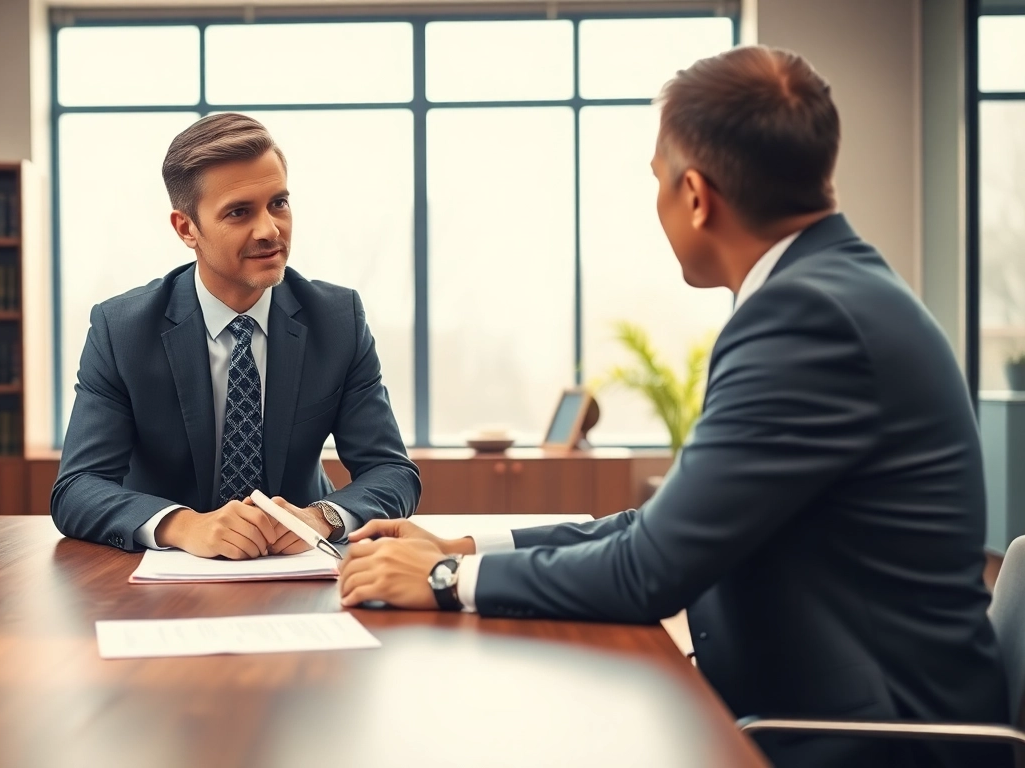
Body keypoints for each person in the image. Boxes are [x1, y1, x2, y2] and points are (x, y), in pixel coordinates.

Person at [336, 46, 1009, 767]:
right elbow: (667, 530)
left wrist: (443, 584)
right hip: (814, 709)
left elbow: (651, 571)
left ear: (695, 194)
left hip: (863, 740)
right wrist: (465, 550)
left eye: (657, 182)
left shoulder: (806, 320)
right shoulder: (829, 293)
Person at [53, 113, 419, 560]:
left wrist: (321, 516)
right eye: (239, 212)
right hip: (164, 578)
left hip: (296, 568)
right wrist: (183, 525)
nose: (269, 230)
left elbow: (391, 471)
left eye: (278, 203)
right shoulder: (122, 329)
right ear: (187, 228)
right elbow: (77, 488)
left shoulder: (337, 319)